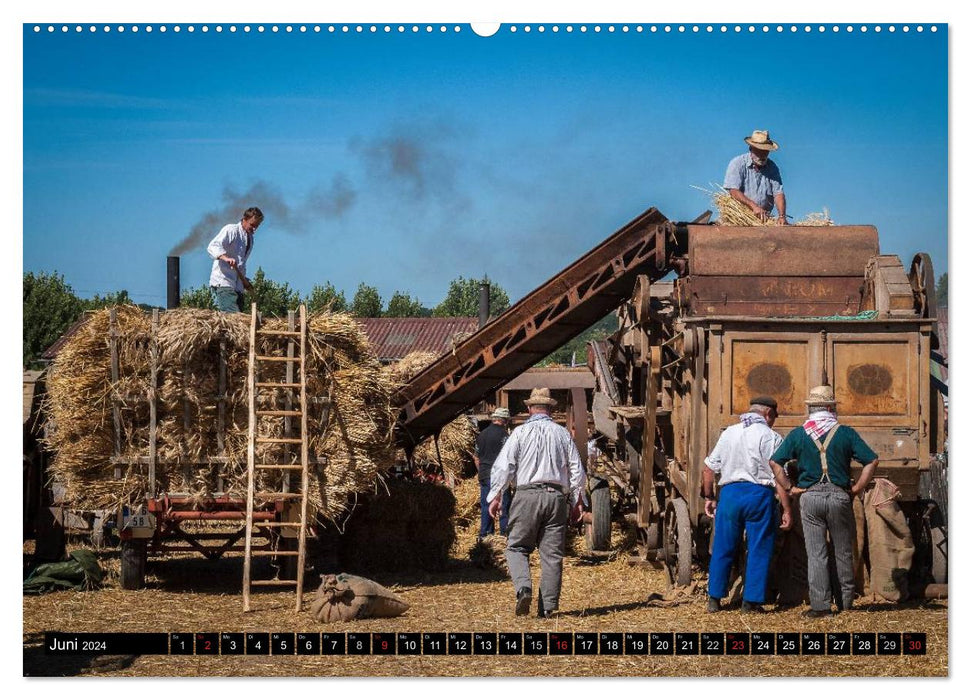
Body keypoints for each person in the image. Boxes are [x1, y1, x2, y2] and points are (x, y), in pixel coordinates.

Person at [769, 385, 879, 618]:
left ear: (811, 408)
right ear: (831, 408)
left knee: (816, 553)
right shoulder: (846, 433)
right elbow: (872, 461)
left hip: (810, 497)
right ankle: (846, 603)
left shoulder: (799, 434)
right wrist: (857, 488)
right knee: (843, 550)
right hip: (840, 496)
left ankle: (820, 606)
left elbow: (775, 462)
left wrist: (790, 487)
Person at [487, 388, 587, 618]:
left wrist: (496, 495)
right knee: (552, 555)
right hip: (555, 498)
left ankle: (524, 588)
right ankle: (548, 607)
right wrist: (577, 500)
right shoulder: (562, 434)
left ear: (530, 408)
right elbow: (576, 470)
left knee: (516, 547)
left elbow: (504, 467)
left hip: (527, 496)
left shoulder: (520, 433)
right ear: (551, 409)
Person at [703, 397, 792, 613]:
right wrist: (787, 509)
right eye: (774, 418)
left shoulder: (729, 433)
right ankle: (750, 602)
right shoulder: (771, 437)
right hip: (759, 495)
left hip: (730, 495)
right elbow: (779, 476)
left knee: (723, 546)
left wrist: (709, 497)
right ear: (768, 414)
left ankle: (714, 599)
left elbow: (708, 469)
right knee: (759, 548)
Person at [724, 130, 787, 225]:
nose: (762, 155)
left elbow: (778, 193)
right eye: (759, 151)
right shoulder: (738, 163)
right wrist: (753, 206)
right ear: (751, 148)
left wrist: (782, 216)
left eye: (765, 151)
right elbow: (734, 191)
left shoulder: (772, 168)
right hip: (739, 218)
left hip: (763, 219)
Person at [207, 207, 263, 312]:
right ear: (244, 219)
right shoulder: (231, 230)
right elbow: (213, 246)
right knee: (233, 315)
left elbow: (241, 265)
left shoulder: (250, 239)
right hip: (223, 281)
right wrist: (225, 258)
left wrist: (245, 281)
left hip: (238, 285)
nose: (254, 229)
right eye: (252, 225)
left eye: (257, 226)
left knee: (240, 314)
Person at [474, 407, 513, 538]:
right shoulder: (506, 437)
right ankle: (504, 535)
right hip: (500, 476)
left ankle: (485, 535)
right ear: (505, 421)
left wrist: (482, 472)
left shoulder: (482, 434)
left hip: (485, 474)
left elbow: (476, 458)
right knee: (503, 506)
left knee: (486, 505)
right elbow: (510, 458)